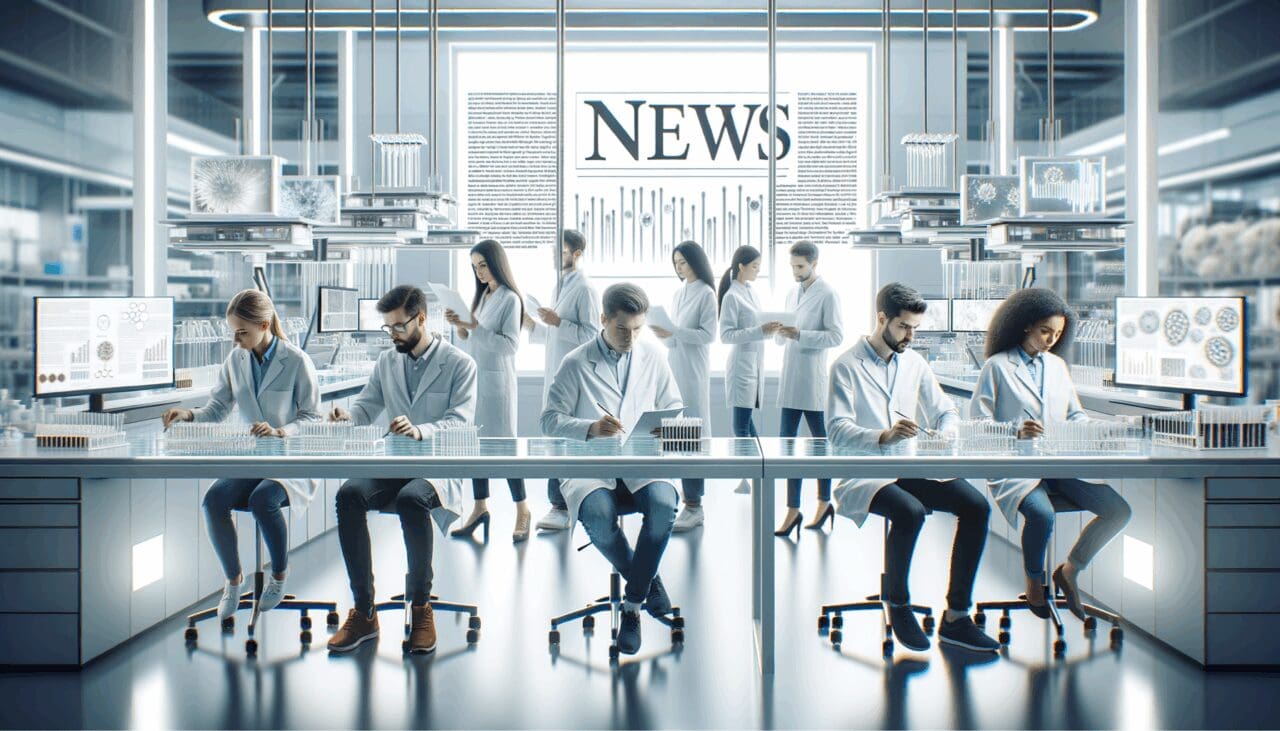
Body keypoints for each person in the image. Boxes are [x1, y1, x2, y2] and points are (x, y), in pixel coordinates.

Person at [827, 283, 999, 653]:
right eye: (904, 327)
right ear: (882, 318)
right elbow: (836, 430)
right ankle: (899, 604)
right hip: (866, 470)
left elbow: (945, 410)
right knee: (910, 512)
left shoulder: (915, 362)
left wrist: (946, 434)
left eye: (916, 328)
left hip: (910, 465)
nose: (911, 336)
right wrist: (883, 437)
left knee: (976, 507)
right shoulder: (845, 365)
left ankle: (956, 617)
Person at [326, 285, 478, 654]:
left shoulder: (460, 364)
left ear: (421, 319)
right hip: (393, 461)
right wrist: (347, 416)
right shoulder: (387, 361)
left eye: (397, 327)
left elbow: (461, 421)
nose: (392, 335)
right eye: (387, 328)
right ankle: (364, 611)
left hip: (435, 463)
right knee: (348, 495)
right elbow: (366, 406)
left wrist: (421, 429)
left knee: (413, 501)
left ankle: (422, 607)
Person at [969, 287, 1132, 622]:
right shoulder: (997, 367)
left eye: (1057, 334)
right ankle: (1034, 581)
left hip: (1058, 461)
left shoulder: (1057, 366)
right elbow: (976, 422)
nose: (1051, 340)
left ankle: (1070, 570)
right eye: (1045, 331)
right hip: (1016, 465)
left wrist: (1098, 432)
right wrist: (1014, 430)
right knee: (1042, 515)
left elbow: (1075, 414)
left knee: (1118, 510)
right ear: (1026, 325)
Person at [540, 283, 683, 655]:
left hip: (641, 461)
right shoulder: (575, 361)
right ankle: (647, 583)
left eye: (638, 329)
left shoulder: (654, 357)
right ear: (603, 320)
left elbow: (674, 406)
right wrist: (588, 428)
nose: (631, 337)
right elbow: (549, 420)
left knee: (665, 507)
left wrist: (661, 426)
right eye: (622, 329)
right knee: (599, 516)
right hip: (593, 466)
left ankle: (632, 604)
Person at [161, 289, 320, 622]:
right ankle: (234, 581)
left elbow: (311, 418)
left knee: (264, 499)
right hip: (253, 457)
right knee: (214, 500)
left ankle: (278, 575)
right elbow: (218, 407)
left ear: (264, 325)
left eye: (242, 331)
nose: (235, 338)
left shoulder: (296, 360)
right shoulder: (236, 359)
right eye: (233, 330)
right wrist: (188, 415)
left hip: (291, 457)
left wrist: (281, 431)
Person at [446, 239, 530, 542]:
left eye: (483, 264)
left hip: (498, 385)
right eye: (474, 266)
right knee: (475, 447)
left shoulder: (510, 299)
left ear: (496, 263)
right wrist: (461, 327)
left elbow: (509, 345)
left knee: (505, 450)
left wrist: (474, 327)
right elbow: (474, 339)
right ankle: (480, 508)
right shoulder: (483, 297)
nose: (479, 271)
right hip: (475, 382)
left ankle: (523, 510)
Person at [525, 229, 601, 533]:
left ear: (578, 253)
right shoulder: (560, 285)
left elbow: (593, 336)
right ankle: (558, 504)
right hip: (557, 373)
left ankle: (562, 506)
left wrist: (559, 322)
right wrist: (534, 325)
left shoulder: (585, 289)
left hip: (574, 379)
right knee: (555, 438)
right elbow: (557, 336)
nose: (557, 256)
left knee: (564, 439)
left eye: (563, 251)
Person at [776, 240, 844, 536]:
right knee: (787, 446)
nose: (795, 271)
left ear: (814, 264)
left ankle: (824, 501)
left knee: (820, 446)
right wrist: (780, 332)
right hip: (791, 377)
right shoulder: (792, 293)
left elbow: (836, 336)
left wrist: (801, 334)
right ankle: (792, 509)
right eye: (792, 266)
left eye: (800, 266)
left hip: (812, 379)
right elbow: (787, 332)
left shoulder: (828, 293)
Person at [650, 240, 717, 532]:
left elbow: (707, 335)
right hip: (674, 367)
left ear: (696, 262)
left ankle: (695, 505)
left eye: (684, 262)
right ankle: (683, 500)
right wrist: (663, 334)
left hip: (692, 371)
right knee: (675, 436)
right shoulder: (678, 294)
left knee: (691, 437)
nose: (679, 268)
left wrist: (674, 331)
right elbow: (675, 338)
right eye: (676, 263)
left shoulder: (706, 294)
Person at [718, 245, 782, 493]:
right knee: (741, 424)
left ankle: (755, 472)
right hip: (742, 366)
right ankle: (749, 474)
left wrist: (771, 330)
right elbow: (725, 335)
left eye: (759, 267)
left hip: (754, 365)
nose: (757, 271)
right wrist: (760, 331)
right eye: (754, 267)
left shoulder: (751, 292)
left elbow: (757, 325)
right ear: (741, 266)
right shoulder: (732, 296)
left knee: (746, 422)